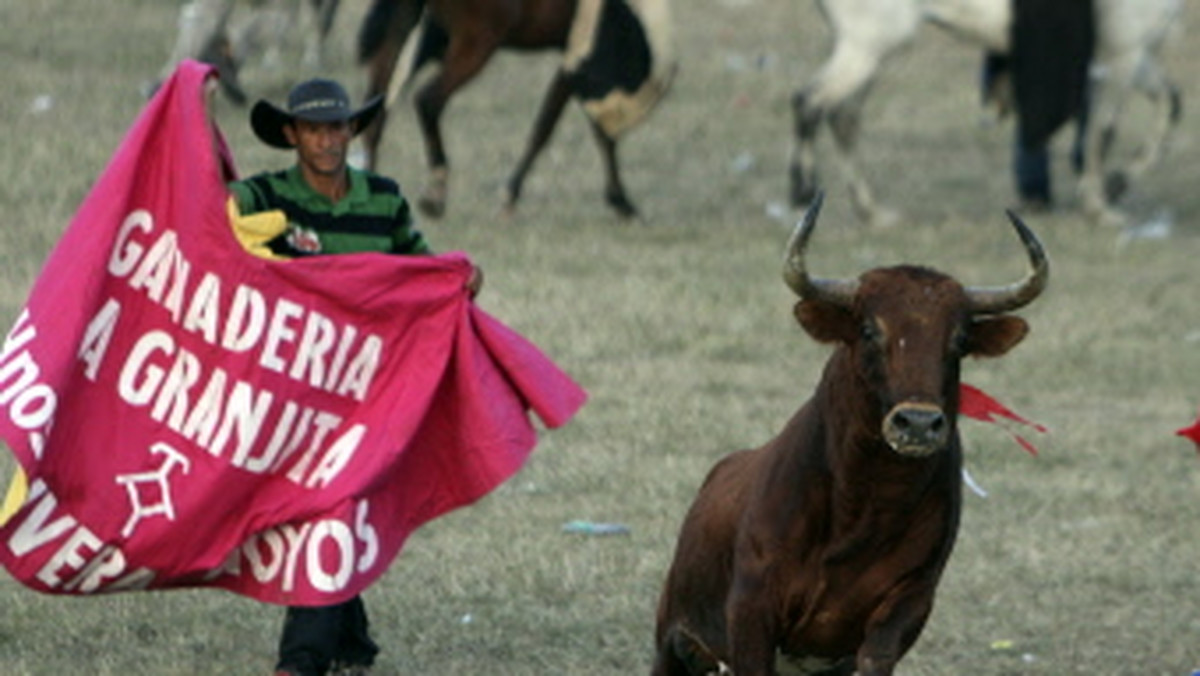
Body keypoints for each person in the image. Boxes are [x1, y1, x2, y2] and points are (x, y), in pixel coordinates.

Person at [227, 77, 481, 676]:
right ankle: (346, 648)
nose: (326, 139)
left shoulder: (384, 200)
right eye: (313, 129)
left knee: (329, 509)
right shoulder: (265, 196)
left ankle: (308, 660)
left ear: (352, 131)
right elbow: (213, 213)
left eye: (336, 127)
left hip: (367, 391)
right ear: (292, 135)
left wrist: (460, 280)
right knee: (325, 510)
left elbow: (422, 271)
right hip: (292, 393)